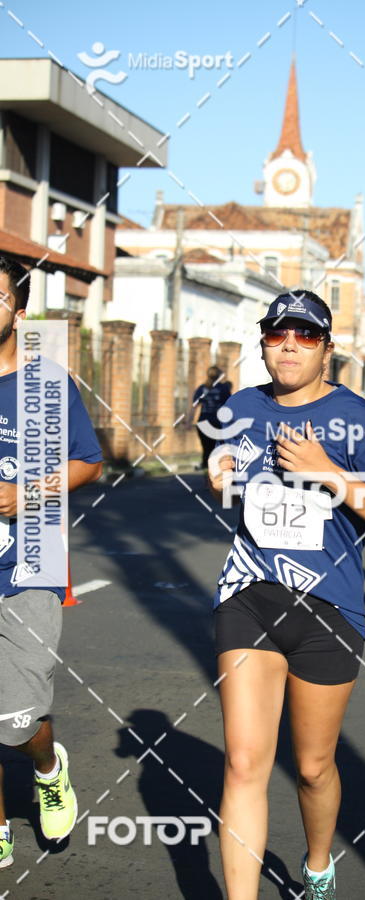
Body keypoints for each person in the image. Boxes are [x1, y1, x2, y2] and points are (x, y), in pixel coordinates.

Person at [207, 289, 365, 899]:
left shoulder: (358, 420)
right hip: (248, 595)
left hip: (329, 608)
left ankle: (318, 861)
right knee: (245, 763)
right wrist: (218, 470)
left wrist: (329, 472)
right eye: (278, 335)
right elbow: (225, 461)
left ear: (327, 348)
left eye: (305, 336)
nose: (290, 346)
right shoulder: (243, 405)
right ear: (264, 343)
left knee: (312, 768)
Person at [0, 257, 103, 868]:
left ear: (18, 305)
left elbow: (88, 463)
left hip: (29, 561)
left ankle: (46, 767)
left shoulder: (42, 382)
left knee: (16, 716)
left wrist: (24, 493)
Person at [188, 366, 232, 470]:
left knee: (206, 450)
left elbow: (194, 407)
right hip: (218, 423)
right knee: (217, 450)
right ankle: (213, 479)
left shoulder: (202, 388)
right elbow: (230, 407)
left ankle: (206, 477)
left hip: (203, 423)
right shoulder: (223, 388)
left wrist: (188, 422)